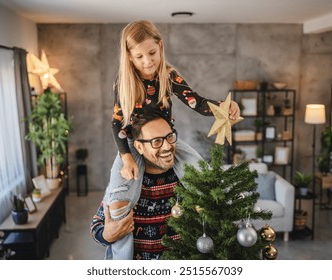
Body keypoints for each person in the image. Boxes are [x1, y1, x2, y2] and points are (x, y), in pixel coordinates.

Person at [97, 19, 240, 259]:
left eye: (152, 53)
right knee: (118, 193)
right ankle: (121, 259)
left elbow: (196, 101)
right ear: (130, 57)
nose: (148, 61)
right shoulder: (125, 82)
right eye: (139, 56)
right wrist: (126, 157)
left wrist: (224, 108)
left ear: (160, 46)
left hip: (168, 138)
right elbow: (117, 122)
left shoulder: (169, 75)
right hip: (134, 144)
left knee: (200, 171)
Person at [91, 113, 204, 260]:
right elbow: (96, 226)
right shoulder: (126, 184)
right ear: (139, 147)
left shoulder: (186, 177)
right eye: (156, 141)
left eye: (169, 137)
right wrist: (107, 235)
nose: (167, 146)